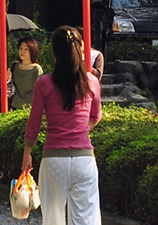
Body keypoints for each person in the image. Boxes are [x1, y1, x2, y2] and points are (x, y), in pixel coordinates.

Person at [21, 25, 102, 225]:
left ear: (55, 52)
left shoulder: (44, 83)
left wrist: (27, 154)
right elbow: (95, 116)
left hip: (53, 160)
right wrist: (81, 129)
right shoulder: (91, 82)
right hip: (84, 160)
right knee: (87, 219)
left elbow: (34, 123)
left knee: (53, 219)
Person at [9, 37, 43, 109]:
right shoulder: (14, 66)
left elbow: (40, 91)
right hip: (15, 106)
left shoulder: (36, 69)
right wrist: (7, 80)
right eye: (21, 48)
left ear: (32, 51)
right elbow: (9, 89)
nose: (22, 51)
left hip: (30, 107)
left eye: (26, 49)